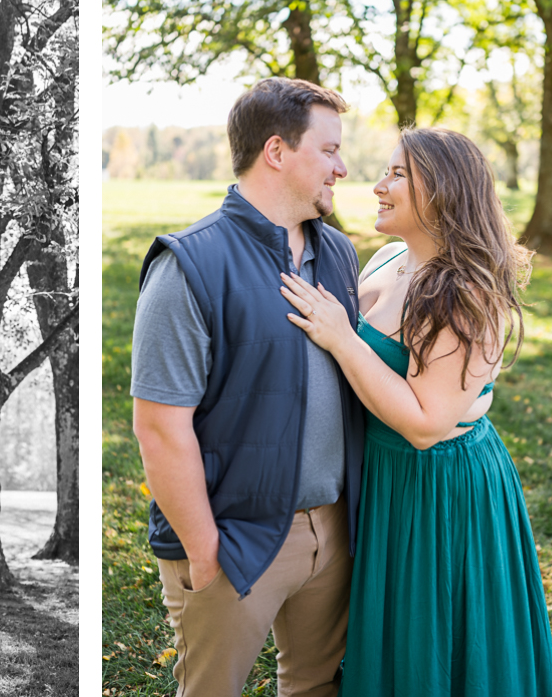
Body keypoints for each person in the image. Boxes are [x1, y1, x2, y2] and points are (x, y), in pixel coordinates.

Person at [279, 127, 552, 696]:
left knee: (434, 643)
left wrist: (343, 339)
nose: (378, 186)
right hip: (383, 473)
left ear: (445, 188)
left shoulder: (466, 293)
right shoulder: (388, 258)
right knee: (394, 641)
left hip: (439, 488)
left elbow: (428, 425)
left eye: (398, 174)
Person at [130, 77, 365, 697]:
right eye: (329, 150)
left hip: (333, 529)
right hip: (233, 540)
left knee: (317, 689)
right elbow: (158, 425)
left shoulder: (338, 253)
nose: (342, 168)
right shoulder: (189, 264)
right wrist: (206, 553)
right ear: (278, 152)